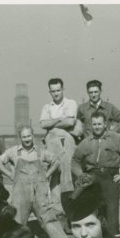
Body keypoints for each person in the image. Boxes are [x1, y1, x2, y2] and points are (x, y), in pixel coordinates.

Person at [0, 126, 67, 238]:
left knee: (49, 220)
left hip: (40, 195)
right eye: (24, 137)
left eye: (29, 136)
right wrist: (9, 174)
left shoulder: (40, 152)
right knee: (16, 224)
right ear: (20, 138)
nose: (27, 139)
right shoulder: (13, 152)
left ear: (32, 136)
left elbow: (56, 161)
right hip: (20, 197)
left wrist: (46, 175)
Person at [71, 112, 120, 234]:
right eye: (94, 124)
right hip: (92, 177)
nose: (97, 127)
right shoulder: (86, 142)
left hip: (110, 177)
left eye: (99, 124)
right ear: (91, 125)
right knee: (91, 210)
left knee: (112, 212)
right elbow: (75, 161)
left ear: (105, 124)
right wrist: (81, 175)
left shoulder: (116, 138)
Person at [39, 77, 82, 217]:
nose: (56, 93)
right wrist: (60, 120)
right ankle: (58, 211)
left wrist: (52, 122)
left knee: (67, 176)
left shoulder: (71, 103)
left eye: (58, 90)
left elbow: (70, 122)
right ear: (49, 92)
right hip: (51, 143)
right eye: (53, 91)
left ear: (63, 89)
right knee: (54, 176)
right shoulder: (47, 107)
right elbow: (43, 124)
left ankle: (70, 211)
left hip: (67, 142)